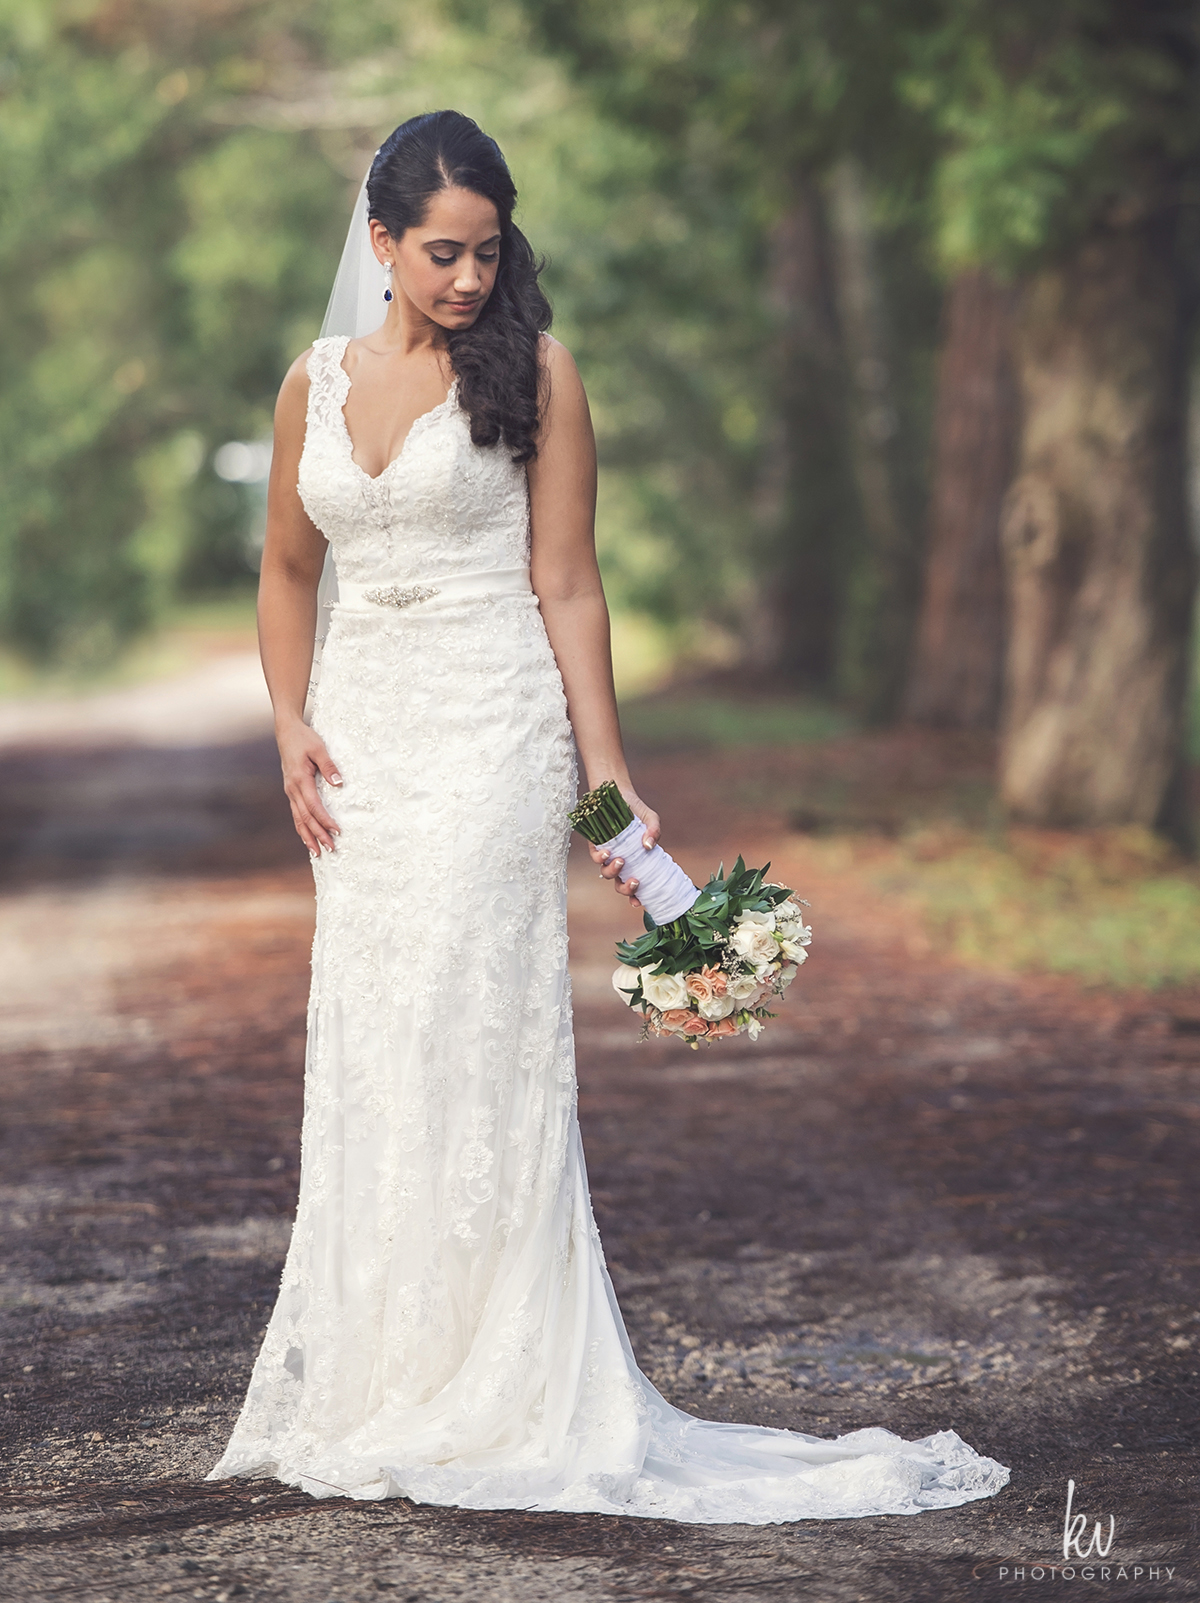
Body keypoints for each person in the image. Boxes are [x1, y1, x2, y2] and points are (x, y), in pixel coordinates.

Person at [206, 111, 1008, 1520]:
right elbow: (284, 570)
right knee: (380, 1030)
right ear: (380, 243)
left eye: (488, 251)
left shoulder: (541, 375)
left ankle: (510, 1379)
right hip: (367, 744)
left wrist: (609, 771)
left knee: (471, 1019)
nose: (466, 279)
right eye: (440, 253)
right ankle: (389, 1375)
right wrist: (288, 722)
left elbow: (568, 583)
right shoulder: (311, 386)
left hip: (494, 723)